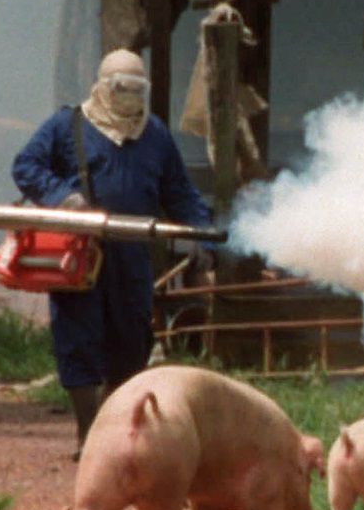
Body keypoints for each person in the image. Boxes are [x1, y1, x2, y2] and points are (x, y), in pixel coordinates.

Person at [12, 49, 214, 460]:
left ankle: (119, 431)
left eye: (137, 90)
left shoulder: (154, 134)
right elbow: (26, 166)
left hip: (133, 256)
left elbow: (179, 193)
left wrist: (204, 238)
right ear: (103, 88)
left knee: (131, 340)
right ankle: (89, 434)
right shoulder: (67, 125)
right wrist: (62, 198)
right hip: (81, 254)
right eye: (121, 89)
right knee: (78, 338)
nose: (128, 98)